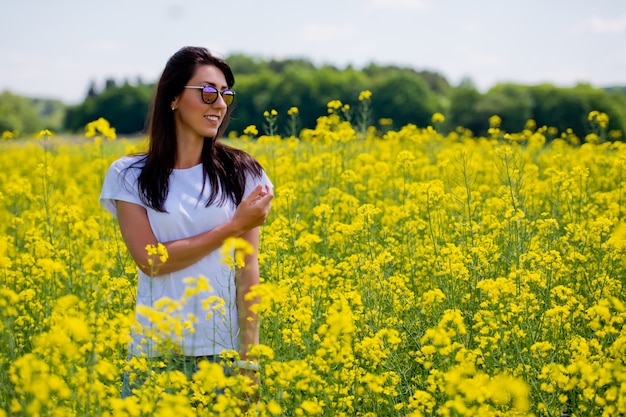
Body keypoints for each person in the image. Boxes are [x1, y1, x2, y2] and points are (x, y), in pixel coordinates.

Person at [99, 46, 273, 397]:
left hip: (222, 356)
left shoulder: (244, 173)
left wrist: (249, 360)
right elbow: (150, 260)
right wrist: (232, 226)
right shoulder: (129, 175)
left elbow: (247, 268)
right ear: (174, 98)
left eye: (226, 94)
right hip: (154, 354)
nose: (219, 104)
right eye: (208, 92)